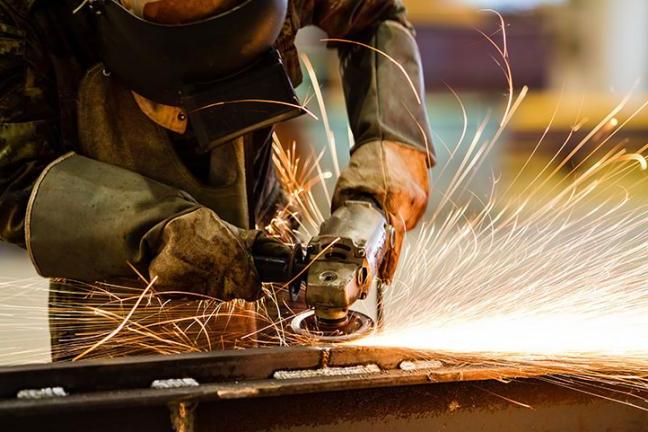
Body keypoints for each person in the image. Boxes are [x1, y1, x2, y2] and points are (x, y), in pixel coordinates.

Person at [0, 0, 433, 355]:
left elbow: (375, 14)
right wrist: (158, 230)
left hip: (270, 261)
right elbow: (11, 178)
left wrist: (390, 142)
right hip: (117, 311)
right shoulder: (22, 15)